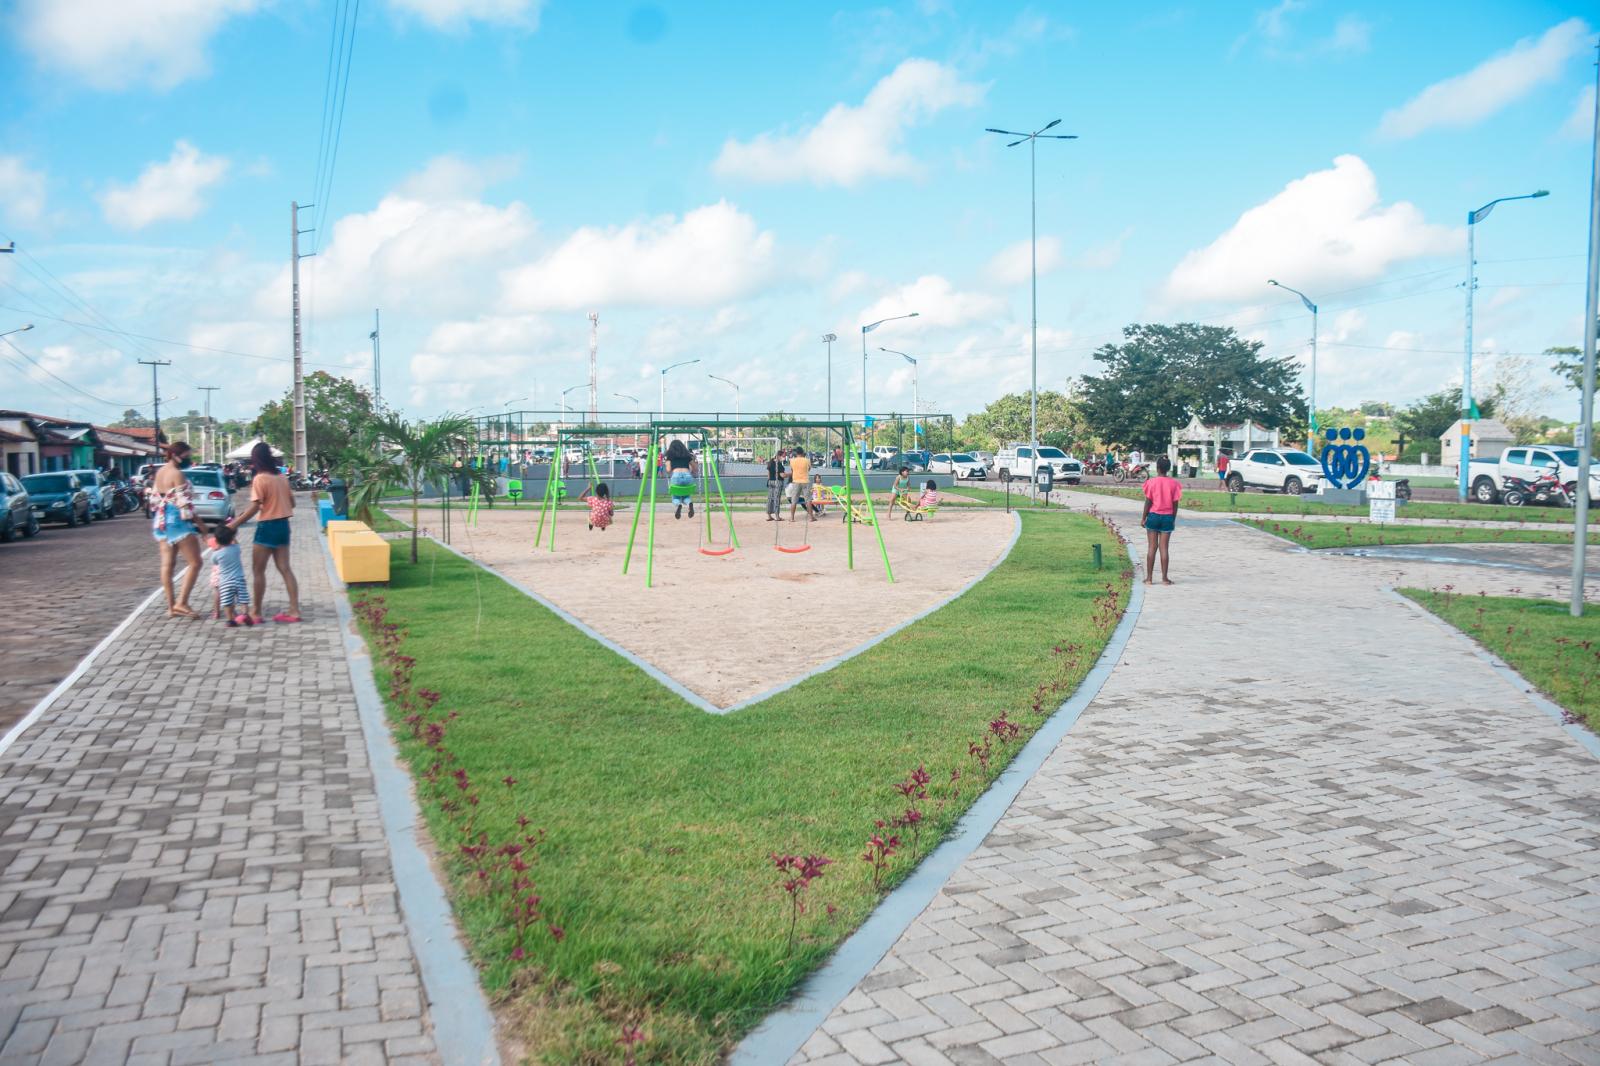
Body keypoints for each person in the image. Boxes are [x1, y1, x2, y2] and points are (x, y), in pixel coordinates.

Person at [228, 441, 301, 623]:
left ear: (256, 459)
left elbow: (254, 508)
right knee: (285, 568)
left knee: (258, 570)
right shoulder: (281, 477)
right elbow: (292, 503)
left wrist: (234, 525)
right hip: (283, 525)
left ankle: (256, 612)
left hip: (267, 526)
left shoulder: (260, 479)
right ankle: (294, 611)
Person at [148, 441, 209, 619]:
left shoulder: (160, 472)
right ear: (176, 455)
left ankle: (171, 606)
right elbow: (185, 504)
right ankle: (182, 602)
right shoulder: (177, 474)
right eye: (186, 456)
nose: (188, 459)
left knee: (167, 564)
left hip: (161, 520)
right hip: (177, 521)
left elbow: (155, 499)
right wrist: (201, 525)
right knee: (196, 562)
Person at [1141, 455, 1182, 586]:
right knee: (1164, 548)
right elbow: (1175, 504)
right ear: (1168, 469)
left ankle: (1149, 579)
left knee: (1152, 547)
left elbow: (1148, 502)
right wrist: (1173, 519)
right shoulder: (1174, 484)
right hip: (1167, 517)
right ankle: (1164, 579)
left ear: (1157, 468)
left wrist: (1143, 518)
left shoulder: (1151, 482)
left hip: (1153, 516)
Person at [211, 524, 252, 627]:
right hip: (239, 579)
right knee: (243, 599)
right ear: (231, 538)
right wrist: (233, 537)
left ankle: (230, 620)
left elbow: (215, 562)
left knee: (227, 602)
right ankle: (245, 614)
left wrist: (218, 547)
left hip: (225, 581)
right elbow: (236, 544)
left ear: (216, 540)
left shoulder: (216, 554)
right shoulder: (236, 549)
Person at [665, 439, 696, 520]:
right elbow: (695, 468)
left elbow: (668, 470)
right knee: (686, 495)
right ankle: (689, 504)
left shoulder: (670, 456)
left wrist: (668, 465)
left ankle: (678, 505)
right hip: (688, 476)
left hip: (676, 476)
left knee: (675, 497)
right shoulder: (687, 456)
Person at [787, 445, 812, 521]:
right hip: (805, 481)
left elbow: (792, 470)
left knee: (794, 500)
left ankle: (792, 518)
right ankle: (811, 517)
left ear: (796, 453)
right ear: (802, 452)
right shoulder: (807, 460)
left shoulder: (792, 461)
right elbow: (809, 469)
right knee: (808, 500)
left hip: (796, 481)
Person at [765, 449, 786, 522]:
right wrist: (790, 474)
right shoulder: (779, 464)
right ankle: (777, 516)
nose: (784, 457)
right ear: (779, 456)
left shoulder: (770, 462)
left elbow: (768, 474)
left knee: (770, 498)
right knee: (776, 498)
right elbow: (782, 475)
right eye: (783, 456)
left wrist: (770, 480)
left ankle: (769, 515)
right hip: (778, 482)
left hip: (770, 481)